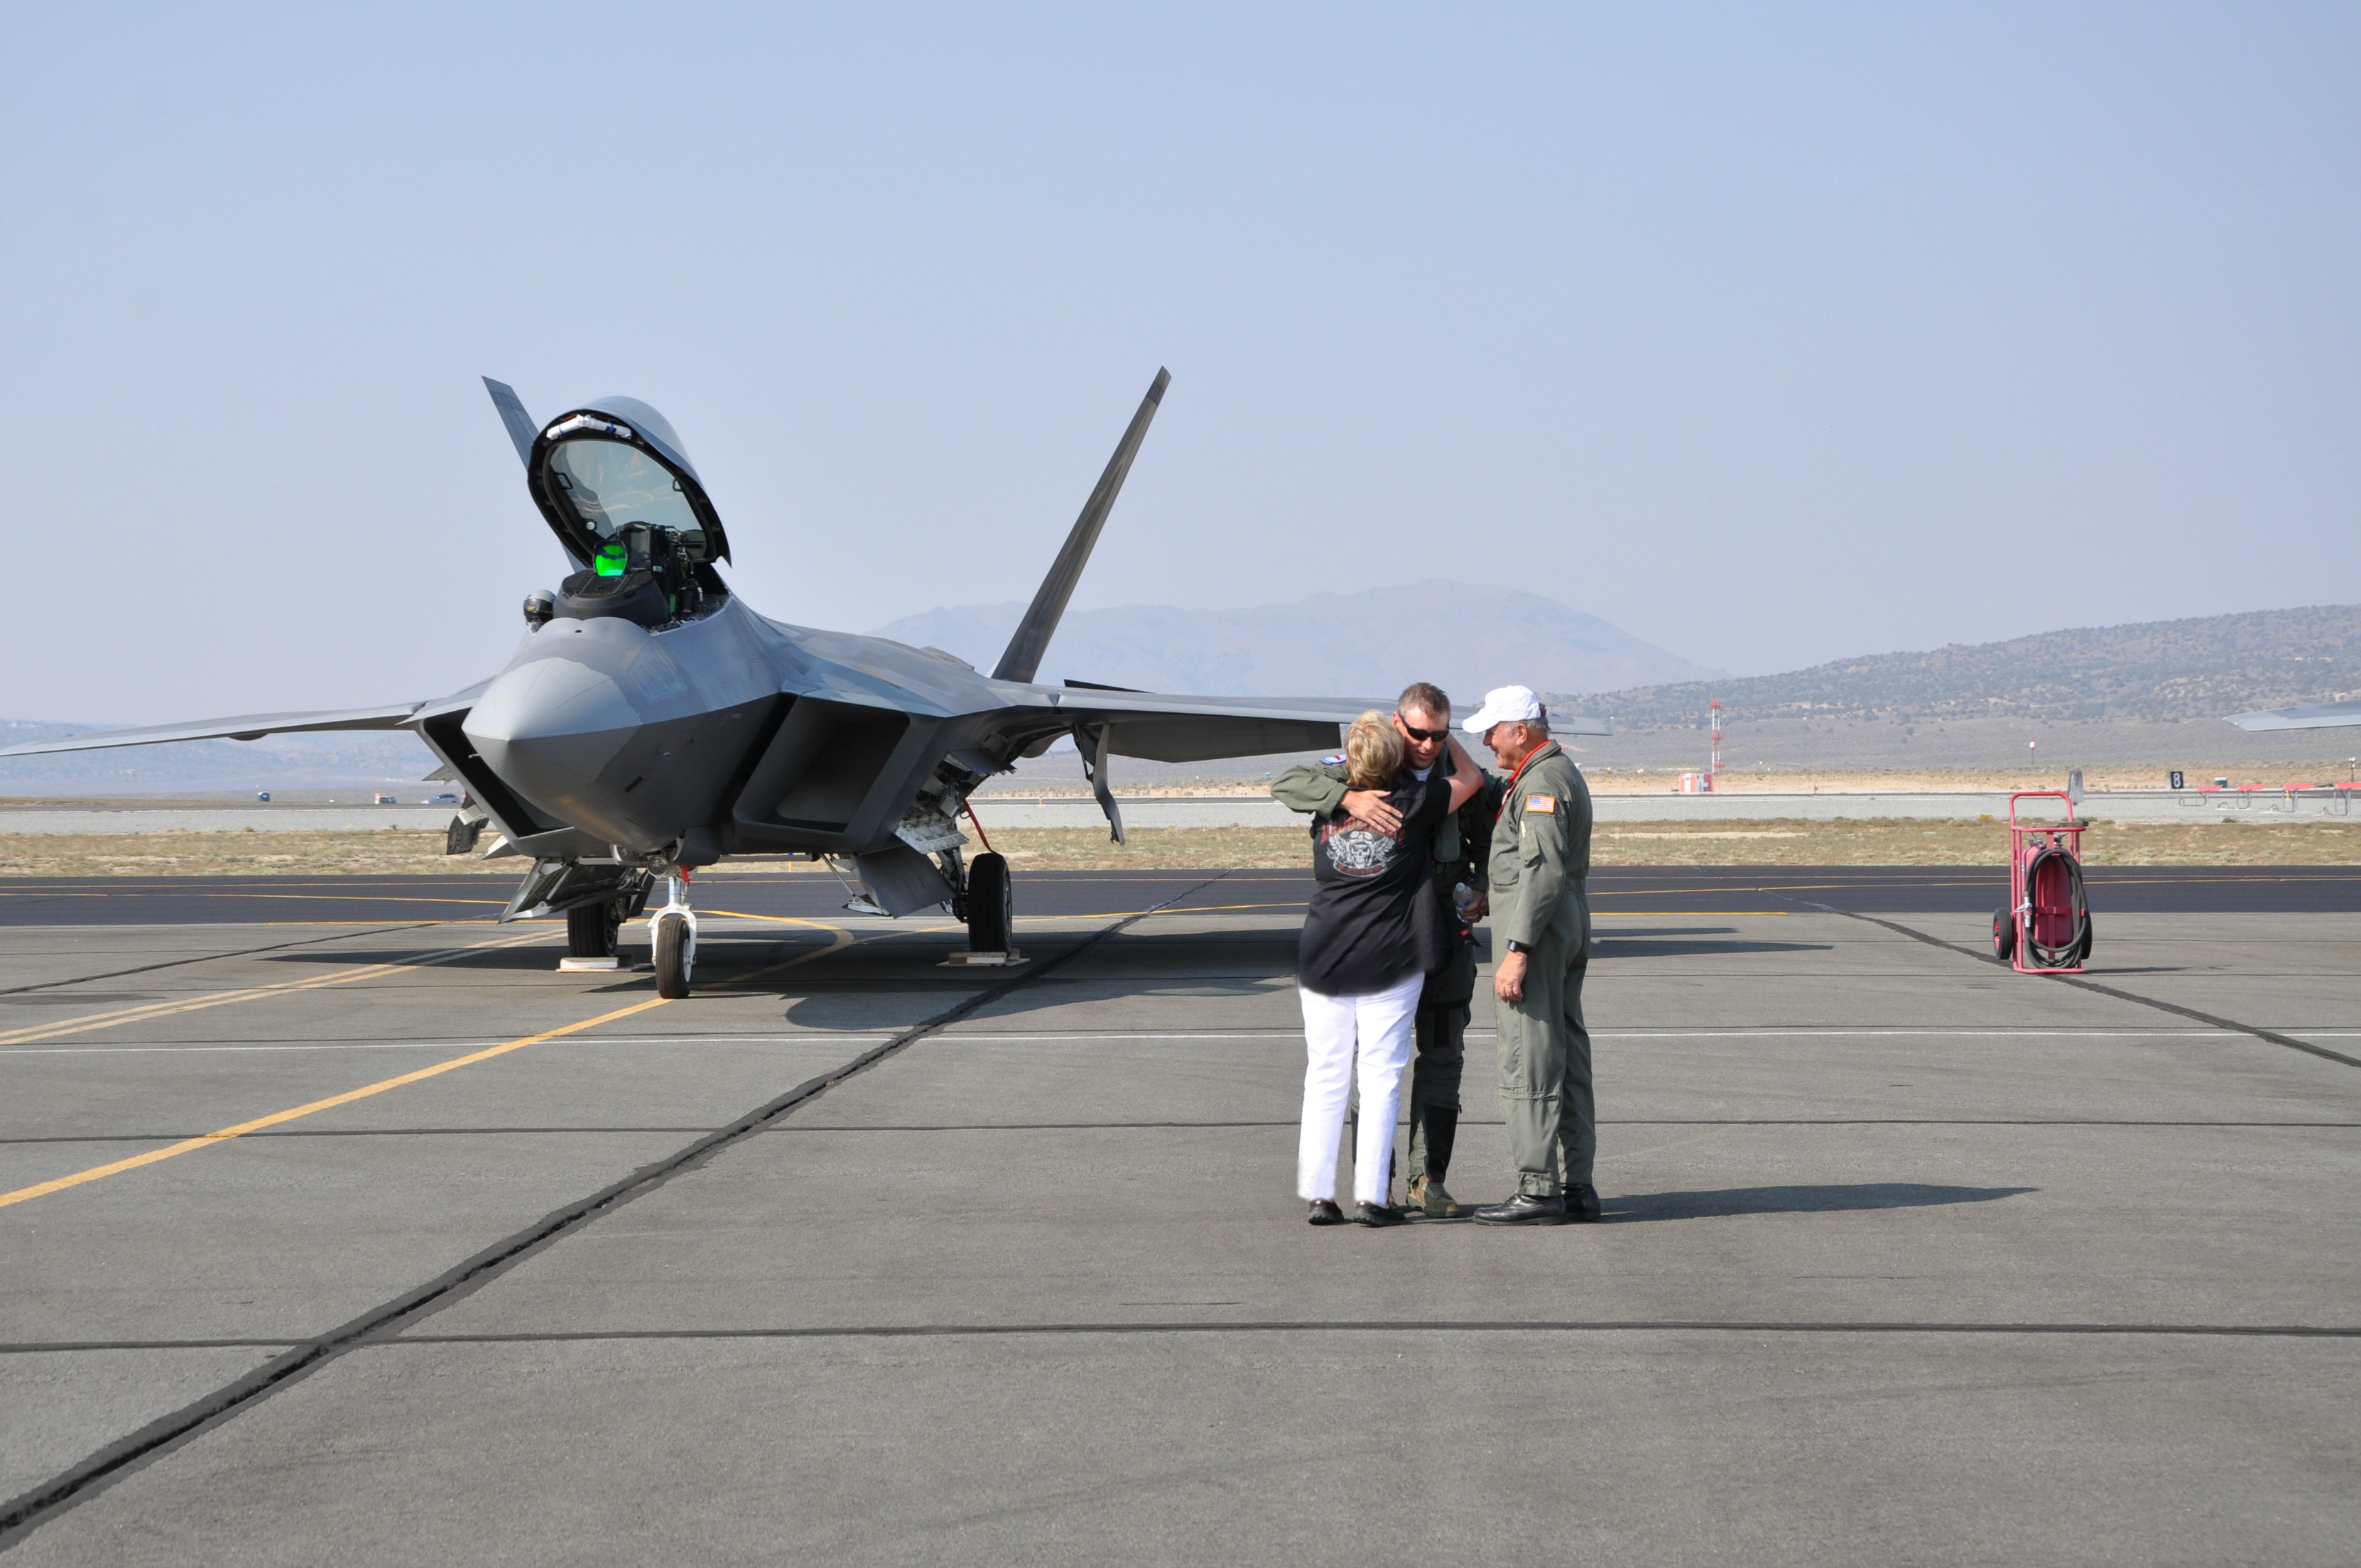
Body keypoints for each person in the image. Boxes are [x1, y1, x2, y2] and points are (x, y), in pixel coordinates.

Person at [1271, 683, 1500, 1217]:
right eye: (1419, 733)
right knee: (1373, 1072)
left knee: (1439, 1053)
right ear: (1398, 727)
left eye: (1439, 735)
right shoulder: (1358, 777)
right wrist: (1346, 796)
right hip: (1397, 934)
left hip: (1439, 923)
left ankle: (1426, 1179)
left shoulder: (1455, 777)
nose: (1427, 744)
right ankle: (1377, 1186)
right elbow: (1287, 782)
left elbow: (1489, 825)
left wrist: (1484, 884)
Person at [1460, 685, 1600, 1226]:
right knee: (1566, 1052)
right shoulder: (1555, 772)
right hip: (1559, 922)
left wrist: (1516, 951)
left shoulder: (1540, 784)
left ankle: (1539, 1189)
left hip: (1538, 931)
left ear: (1522, 730)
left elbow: (1541, 873)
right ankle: (1578, 1185)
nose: (1489, 742)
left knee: (1532, 1055)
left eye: (1493, 731)